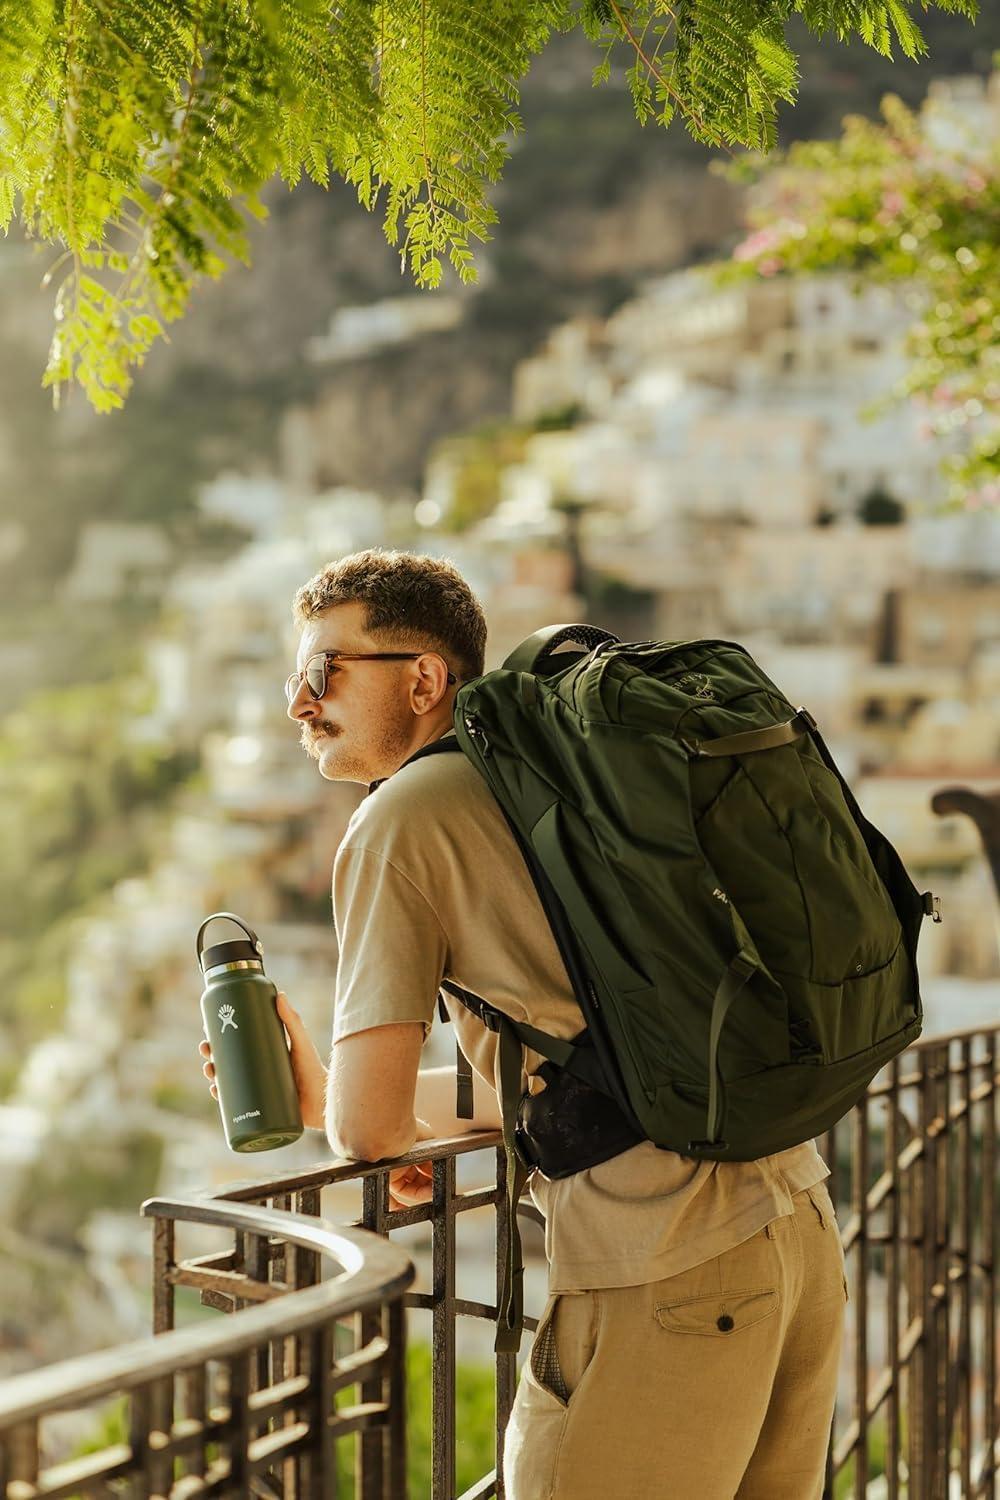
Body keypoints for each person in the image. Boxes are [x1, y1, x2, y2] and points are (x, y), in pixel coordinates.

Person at [199, 547, 848, 1500]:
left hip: (666, 1265)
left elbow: (371, 1133)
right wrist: (324, 1093)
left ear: (423, 678)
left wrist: (347, 1112)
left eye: (322, 671)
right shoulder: (550, 780)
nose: (301, 704)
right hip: (792, 1222)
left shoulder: (400, 820)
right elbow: (585, 1050)